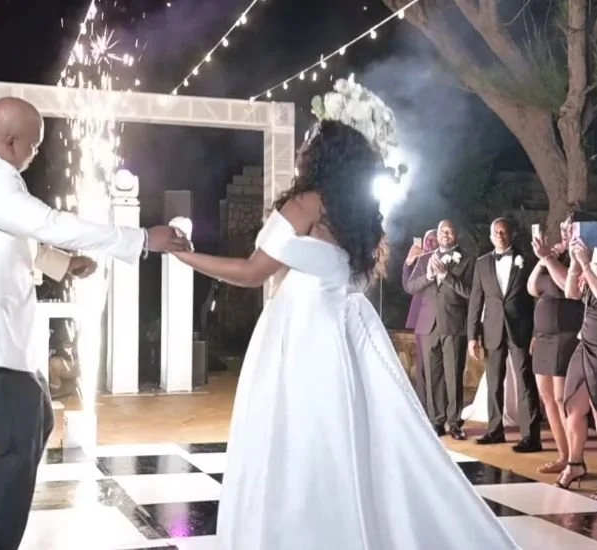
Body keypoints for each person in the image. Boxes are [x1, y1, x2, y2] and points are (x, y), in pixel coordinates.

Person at [171, 120, 518, 549]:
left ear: (321, 155)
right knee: (333, 436)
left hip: (298, 332)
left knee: (292, 439)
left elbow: (250, 272)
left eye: (308, 142)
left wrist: (186, 257)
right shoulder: (358, 214)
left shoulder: (303, 204)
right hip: (336, 335)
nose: (300, 149)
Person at [0, 96, 188, 550]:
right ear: (11, 140)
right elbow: (46, 223)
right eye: (33, 146)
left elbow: (6, 236)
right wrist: (144, 238)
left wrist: (61, 264)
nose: (35, 155)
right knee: (18, 447)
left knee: (36, 424)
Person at [467, 218, 542, 452]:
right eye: (496, 232)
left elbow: (536, 299)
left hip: (521, 329)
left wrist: (536, 332)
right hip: (492, 330)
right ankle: (495, 431)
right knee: (494, 383)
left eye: (504, 232)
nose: (500, 235)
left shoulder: (526, 260)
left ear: (511, 235)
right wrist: (472, 336)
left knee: (525, 382)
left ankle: (531, 437)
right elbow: (476, 301)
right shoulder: (481, 263)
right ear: (491, 237)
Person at [403, 220, 473, 440]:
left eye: (450, 231)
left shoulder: (467, 260)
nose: (445, 234)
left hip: (453, 324)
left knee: (453, 375)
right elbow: (410, 286)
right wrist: (430, 276)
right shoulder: (425, 259)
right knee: (432, 376)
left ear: (456, 235)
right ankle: (436, 421)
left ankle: (455, 423)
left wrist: (447, 277)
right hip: (428, 325)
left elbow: (471, 293)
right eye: (442, 230)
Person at [528, 218, 583, 475]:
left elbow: (567, 287)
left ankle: (575, 459)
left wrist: (548, 259)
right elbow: (532, 287)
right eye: (562, 228)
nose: (565, 232)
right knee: (547, 397)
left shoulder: (581, 254)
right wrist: (543, 259)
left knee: (562, 398)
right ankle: (562, 455)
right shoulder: (555, 256)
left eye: (569, 227)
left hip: (566, 335)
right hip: (543, 337)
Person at [556, 234, 597, 491]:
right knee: (573, 406)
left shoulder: (589, 263)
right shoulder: (592, 256)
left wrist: (585, 265)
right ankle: (575, 463)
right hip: (586, 343)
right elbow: (571, 293)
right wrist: (574, 263)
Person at [402, 229, 437, 409]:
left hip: (441, 316)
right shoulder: (419, 260)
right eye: (427, 239)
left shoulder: (441, 259)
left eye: (434, 238)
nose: (430, 241)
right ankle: (423, 403)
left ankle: (437, 404)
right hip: (422, 317)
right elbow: (407, 285)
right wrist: (409, 262)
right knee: (422, 364)